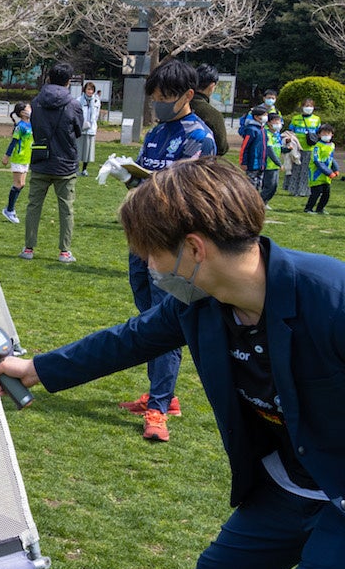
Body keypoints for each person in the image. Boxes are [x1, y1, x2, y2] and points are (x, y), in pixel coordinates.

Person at [0, 157, 345, 569]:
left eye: (151, 253)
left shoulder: (332, 299)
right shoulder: (201, 302)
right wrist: (35, 369)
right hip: (289, 479)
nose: (149, 266)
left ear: (195, 249)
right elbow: (129, 340)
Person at [116, 59, 216, 441]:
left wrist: (153, 186)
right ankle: (164, 394)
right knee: (148, 318)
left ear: (188, 95)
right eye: (154, 96)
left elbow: (191, 196)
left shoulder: (199, 137)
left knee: (164, 323)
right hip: (140, 238)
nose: (158, 103)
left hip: (170, 245)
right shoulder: (156, 132)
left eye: (165, 97)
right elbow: (146, 178)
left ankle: (158, 408)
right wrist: (128, 175)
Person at [20, 63, 82, 263]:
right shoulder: (73, 104)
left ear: (48, 78)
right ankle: (64, 251)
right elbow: (78, 130)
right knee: (66, 209)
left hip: (41, 160)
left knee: (33, 206)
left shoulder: (36, 102)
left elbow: (35, 126)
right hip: (66, 163)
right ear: (68, 81)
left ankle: (28, 248)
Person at [0, 101, 31, 224]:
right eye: (28, 108)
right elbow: (13, 142)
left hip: (27, 158)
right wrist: (6, 156)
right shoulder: (20, 126)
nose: (31, 110)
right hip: (19, 158)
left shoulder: (31, 124)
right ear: (22, 113)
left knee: (22, 184)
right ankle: (9, 210)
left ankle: (10, 209)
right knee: (17, 184)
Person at [190, 64, 229, 156]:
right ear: (212, 86)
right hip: (202, 160)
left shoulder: (180, 106)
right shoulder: (212, 114)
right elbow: (222, 147)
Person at [304, 123, 337, 215]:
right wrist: (328, 172)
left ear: (332, 135)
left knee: (326, 194)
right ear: (319, 135)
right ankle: (308, 208)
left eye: (328, 133)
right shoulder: (317, 146)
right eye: (323, 133)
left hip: (326, 176)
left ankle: (320, 209)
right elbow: (317, 161)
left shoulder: (332, 145)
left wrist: (336, 169)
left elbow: (331, 158)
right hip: (316, 174)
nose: (326, 135)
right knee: (316, 192)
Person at [238, 104, 269, 194]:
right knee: (251, 186)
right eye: (263, 115)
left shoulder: (263, 130)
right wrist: (243, 162)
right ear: (256, 117)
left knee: (259, 185)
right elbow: (245, 147)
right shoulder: (251, 130)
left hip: (261, 163)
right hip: (252, 163)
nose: (266, 117)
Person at [78, 81, 100, 176]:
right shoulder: (79, 100)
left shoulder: (96, 101)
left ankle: (84, 169)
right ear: (85, 90)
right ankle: (75, 168)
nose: (90, 91)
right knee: (78, 149)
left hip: (91, 129)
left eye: (92, 90)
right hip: (80, 128)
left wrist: (92, 123)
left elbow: (96, 115)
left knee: (87, 151)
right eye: (88, 89)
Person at [261, 111, 283, 206]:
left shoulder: (277, 134)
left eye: (279, 121)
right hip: (268, 164)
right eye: (275, 121)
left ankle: (264, 202)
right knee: (269, 186)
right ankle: (260, 202)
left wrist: (287, 149)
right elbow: (269, 150)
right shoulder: (267, 134)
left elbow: (279, 148)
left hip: (275, 166)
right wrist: (279, 163)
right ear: (269, 123)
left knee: (274, 187)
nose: (278, 123)